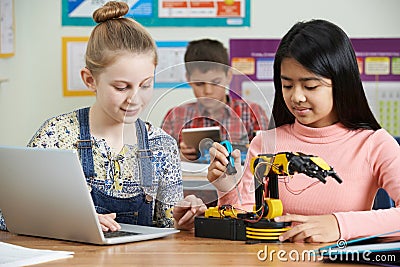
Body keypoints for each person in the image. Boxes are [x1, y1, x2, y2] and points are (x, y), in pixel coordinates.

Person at [0, 1, 206, 232]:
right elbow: (6, 216)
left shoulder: (162, 146)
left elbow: (169, 225)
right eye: (121, 87)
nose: (135, 99)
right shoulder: (56, 136)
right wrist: (70, 220)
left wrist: (182, 219)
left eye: (146, 85)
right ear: (90, 80)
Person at [207, 19, 400, 243]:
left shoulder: (374, 144)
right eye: (287, 85)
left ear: (341, 82)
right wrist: (228, 187)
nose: (296, 97)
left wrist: (339, 225)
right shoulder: (266, 143)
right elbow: (249, 223)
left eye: (310, 86)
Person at [161, 39, 269, 161]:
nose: (208, 91)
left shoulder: (252, 113)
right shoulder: (175, 116)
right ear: (188, 79)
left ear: (228, 76)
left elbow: (269, 156)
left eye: (216, 82)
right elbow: (159, 162)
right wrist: (177, 157)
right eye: (199, 84)